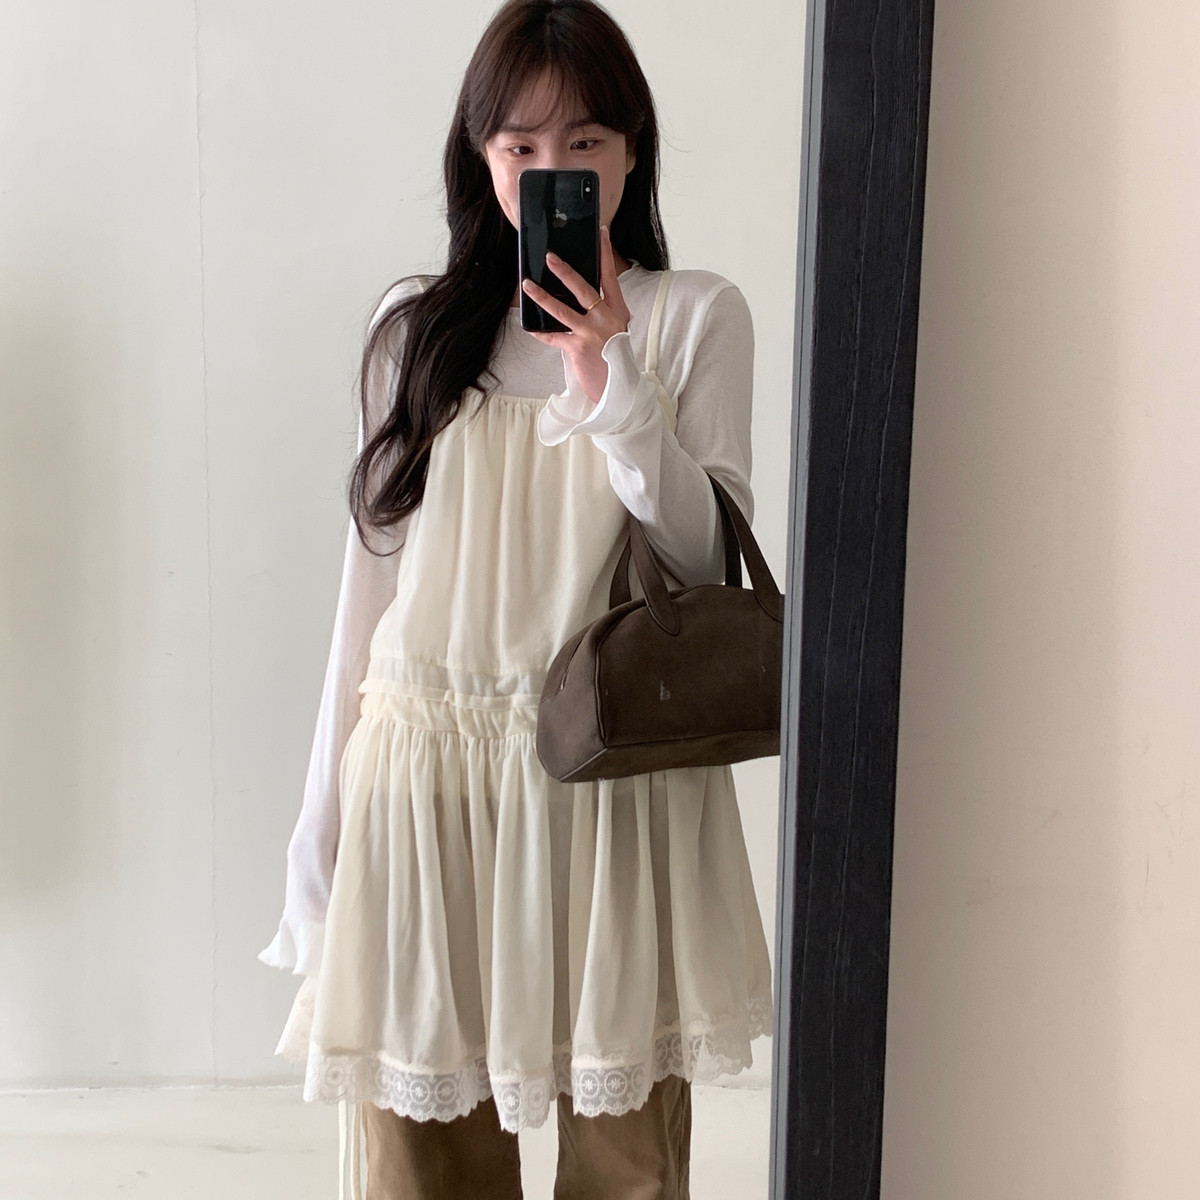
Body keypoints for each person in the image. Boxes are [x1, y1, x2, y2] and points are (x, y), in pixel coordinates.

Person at [258, 2, 772, 1196]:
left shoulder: (696, 315)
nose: (552, 169)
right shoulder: (416, 332)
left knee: (627, 1167)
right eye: (520, 146)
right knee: (420, 1164)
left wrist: (611, 379)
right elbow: (367, 595)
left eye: (584, 142)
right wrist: (319, 837)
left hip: (612, 787)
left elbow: (704, 567)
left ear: (631, 151)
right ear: (480, 158)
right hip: (424, 784)